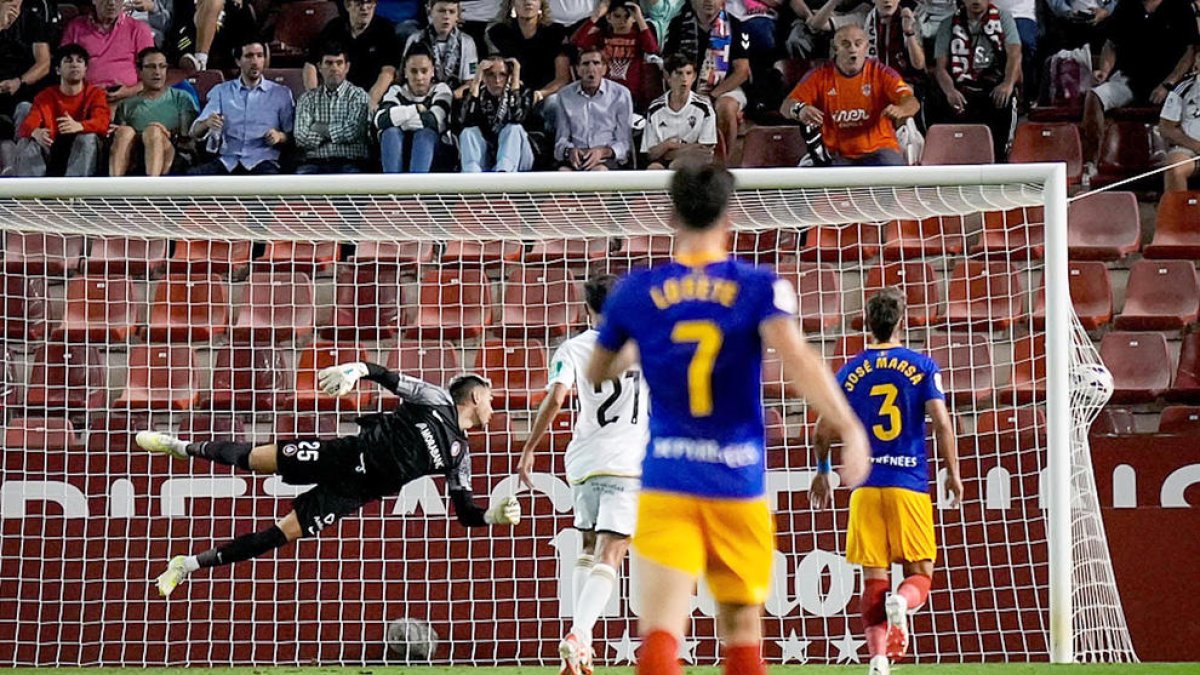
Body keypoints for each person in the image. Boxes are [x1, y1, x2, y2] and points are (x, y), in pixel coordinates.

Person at [586, 164, 871, 675]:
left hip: (668, 478)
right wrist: (849, 428)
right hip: (737, 480)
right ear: (730, 215)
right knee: (741, 634)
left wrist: (640, 346)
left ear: (670, 214)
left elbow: (598, 369)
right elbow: (798, 359)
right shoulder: (759, 286)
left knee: (661, 633)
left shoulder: (635, 292)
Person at [138, 367, 522, 598]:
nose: (493, 406)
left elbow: (466, 514)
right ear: (475, 396)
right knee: (254, 459)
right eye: (490, 399)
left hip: (353, 492)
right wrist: (354, 370)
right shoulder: (435, 400)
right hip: (344, 454)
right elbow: (384, 375)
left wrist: (492, 517)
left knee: (280, 533)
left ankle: (186, 566)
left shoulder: (460, 456)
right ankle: (179, 446)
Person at [810, 288, 962, 675]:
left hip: (865, 486)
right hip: (907, 483)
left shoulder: (849, 370)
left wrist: (824, 472)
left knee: (872, 578)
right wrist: (953, 473)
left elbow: (822, 431)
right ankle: (903, 603)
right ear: (902, 321)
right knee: (919, 575)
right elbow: (942, 423)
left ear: (867, 323)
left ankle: (878, 659)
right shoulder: (922, 366)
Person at [516, 274, 650, 675]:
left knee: (587, 548)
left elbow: (557, 396)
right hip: (628, 461)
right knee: (612, 553)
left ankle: (582, 648)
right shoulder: (645, 345)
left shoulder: (573, 347)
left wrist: (529, 447)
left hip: (584, 460)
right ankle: (579, 634)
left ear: (586, 309)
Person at [781, 24, 919, 166]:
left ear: (866, 48)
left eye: (858, 44)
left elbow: (912, 102)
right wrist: (800, 109)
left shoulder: (882, 73)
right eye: (845, 44)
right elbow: (786, 106)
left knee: (894, 170)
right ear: (835, 49)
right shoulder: (818, 76)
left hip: (879, 151)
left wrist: (901, 109)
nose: (853, 49)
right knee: (814, 176)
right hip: (836, 155)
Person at [1082, 0, 1199, 163]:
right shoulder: (1126, 6)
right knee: (1094, 97)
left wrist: (1167, 84)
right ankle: (1092, 161)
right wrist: (1104, 71)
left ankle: (1170, 158)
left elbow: (1189, 52)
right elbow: (1111, 44)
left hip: (1170, 84)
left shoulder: (1180, 7)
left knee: (1180, 107)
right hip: (1129, 80)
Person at [188, 40, 295, 175]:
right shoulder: (222, 91)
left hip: (263, 161)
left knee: (271, 184)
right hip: (228, 160)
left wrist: (280, 136)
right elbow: (194, 131)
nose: (255, 62)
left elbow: (293, 136)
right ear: (238, 61)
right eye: (249, 56)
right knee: (191, 178)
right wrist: (207, 123)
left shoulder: (281, 94)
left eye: (260, 56)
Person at [932, 0, 1021, 161]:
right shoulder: (948, 24)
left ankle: (1000, 159)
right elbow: (940, 67)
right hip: (961, 84)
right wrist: (950, 91)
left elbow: (1014, 55)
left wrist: (1007, 84)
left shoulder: (1003, 19)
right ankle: (944, 159)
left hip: (992, 82)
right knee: (936, 97)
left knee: (1004, 99)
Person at [663, 0, 752, 152]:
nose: (709, 1)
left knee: (726, 106)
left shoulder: (736, 25)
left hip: (725, 87)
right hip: (685, 85)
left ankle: (723, 164)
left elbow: (742, 72)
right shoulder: (678, 24)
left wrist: (711, 95)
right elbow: (667, 67)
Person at [13, 43, 110, 177]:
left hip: (84, 152)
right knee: (27, 140)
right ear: (58, 69)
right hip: (52, 149)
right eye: (68, 61)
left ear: (85, 69)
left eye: (80, 61)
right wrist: (35, 132)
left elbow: (102, 123)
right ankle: (31, 193)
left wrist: (80, 126)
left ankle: (74, 192)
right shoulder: (45, 96)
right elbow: (27, 125)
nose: (75, 64)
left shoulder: (96, 94)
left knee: (87, 138)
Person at [109, 46, 198, 176]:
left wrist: (163, 132)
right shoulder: (126, 104)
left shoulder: (182, 97)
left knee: (153, 131)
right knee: (124, 131)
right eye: (151, 67)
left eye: (162, 66)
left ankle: (152, 189)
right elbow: (122, 140)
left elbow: (187, 140)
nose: (157, 72)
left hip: (172, 154)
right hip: (136, 156)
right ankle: (114, 189)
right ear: (139, 71)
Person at [304, 0, 401, 111]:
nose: (365, 7)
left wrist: (370, 101)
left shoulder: (384, 29)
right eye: (359, 3)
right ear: (347, 5)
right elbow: (310, 64)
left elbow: (388, 71)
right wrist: (314, 99)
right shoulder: (334, 28)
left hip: (371, 96)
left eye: (369, 2)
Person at [375, 42, 454, 172]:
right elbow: (380, 120)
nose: (419, 77)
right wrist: (415, 109)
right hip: (401, 151)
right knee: (390, 133)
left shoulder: (441, 90)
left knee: (425, 133)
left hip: (435, 155)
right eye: (413, 71)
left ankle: (417, 189)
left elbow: (435, 121)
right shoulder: (396, 91)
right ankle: (393, 188)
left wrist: (399, 120)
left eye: (424, 71)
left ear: (432, 71)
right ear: (405, 72)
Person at [293, 43, 371, 174]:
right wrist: (337, 132)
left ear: (347, 67)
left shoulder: (358, 96)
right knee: (297, 184)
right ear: (319, 67)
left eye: (339, 63)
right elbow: (300, 137)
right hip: (313, 163)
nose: (334, 68)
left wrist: (317, 127)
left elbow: (352, 132)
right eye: (328, 63)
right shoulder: (307, 99)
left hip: (350, 162)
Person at [554, 46, 634, 170]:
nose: (591, 69)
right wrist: (569, 151)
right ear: (577, 69)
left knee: (599, 172)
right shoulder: (564, 95)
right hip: (577, 157)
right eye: (585, 64)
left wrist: (603, 152)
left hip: (606, 157)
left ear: (604, 69)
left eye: (596, 63)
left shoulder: (621, 94)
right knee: (562, 173)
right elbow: (561, 139)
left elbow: (625, 143)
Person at [571, 0, 659, 110]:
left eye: (627, 16)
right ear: (608, 18)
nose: (622, 21)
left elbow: (652, 49)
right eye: (617, 16)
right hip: (604, 93)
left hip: (631, 94)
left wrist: (640, 18)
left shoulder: (639, 36)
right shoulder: (601, 36)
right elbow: (576, 41)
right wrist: (596, 15)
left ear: (633, 18)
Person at [60, 0, 155, 102]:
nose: (112, 3)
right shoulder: (76, 27)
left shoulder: (139, 29)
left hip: (130, 100)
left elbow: (152, 76)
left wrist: (128, 91)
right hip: (86, 99)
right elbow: (64, 68)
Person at [458, 56, 535, 172]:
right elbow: (464, 122)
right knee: (468, 132)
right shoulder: (475, 95)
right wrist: (476, 82)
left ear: (508, 76)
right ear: (484, 77)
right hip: (488, 156)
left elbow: (517, 117)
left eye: (502, 75)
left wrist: (515, 82)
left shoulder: (523, 92)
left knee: (513, 129)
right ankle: (472, 179)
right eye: (491, 75)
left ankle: (503, 176)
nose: (497, 80)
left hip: (519, 156)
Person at [641, 53, 717, 169]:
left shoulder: (704, 107)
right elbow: (650, 153)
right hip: (661, 162)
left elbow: (705, 152)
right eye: (679, 73)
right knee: (653, 168)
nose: (684, 79)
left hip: (693, 163)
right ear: (668, 76)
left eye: (688, 73)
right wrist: (669, 145)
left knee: (677, 166)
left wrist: (668, 149)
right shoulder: (655, 109)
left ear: (694, 76)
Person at [404, 0, 480, 97]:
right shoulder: (415, 39)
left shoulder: (467, 42)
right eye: (441, 11)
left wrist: (446, 98)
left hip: (455, 100)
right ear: (430, 12)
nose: (446, 16)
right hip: (420, 99)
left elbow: (470, 82)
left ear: (457, 15)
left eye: (451, 12)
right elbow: (405, 77)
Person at [1158, 51, 1200, 191]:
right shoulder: (1183, 89)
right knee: (1175, 166)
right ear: (1196, 63)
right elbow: (1166, 128)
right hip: (1189, 150)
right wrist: (1196, 146)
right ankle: (1178, 212)